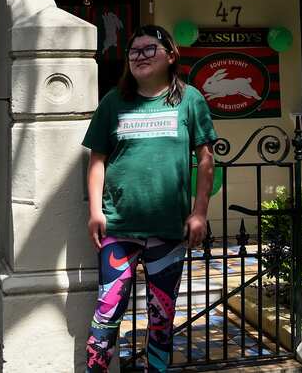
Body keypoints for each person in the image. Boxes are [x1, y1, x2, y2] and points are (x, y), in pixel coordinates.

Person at [81, 25, 217, 372]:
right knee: (107, 313)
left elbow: (205, 158)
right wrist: (96, 210)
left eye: (149, 48)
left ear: (171, 55)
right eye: (134, 51)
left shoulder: (191, 100)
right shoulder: (114, 102)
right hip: (119, 226)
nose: (140, 55)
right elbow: (98, 160)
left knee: (162, 316)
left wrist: (199, 212)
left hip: (168, 229)